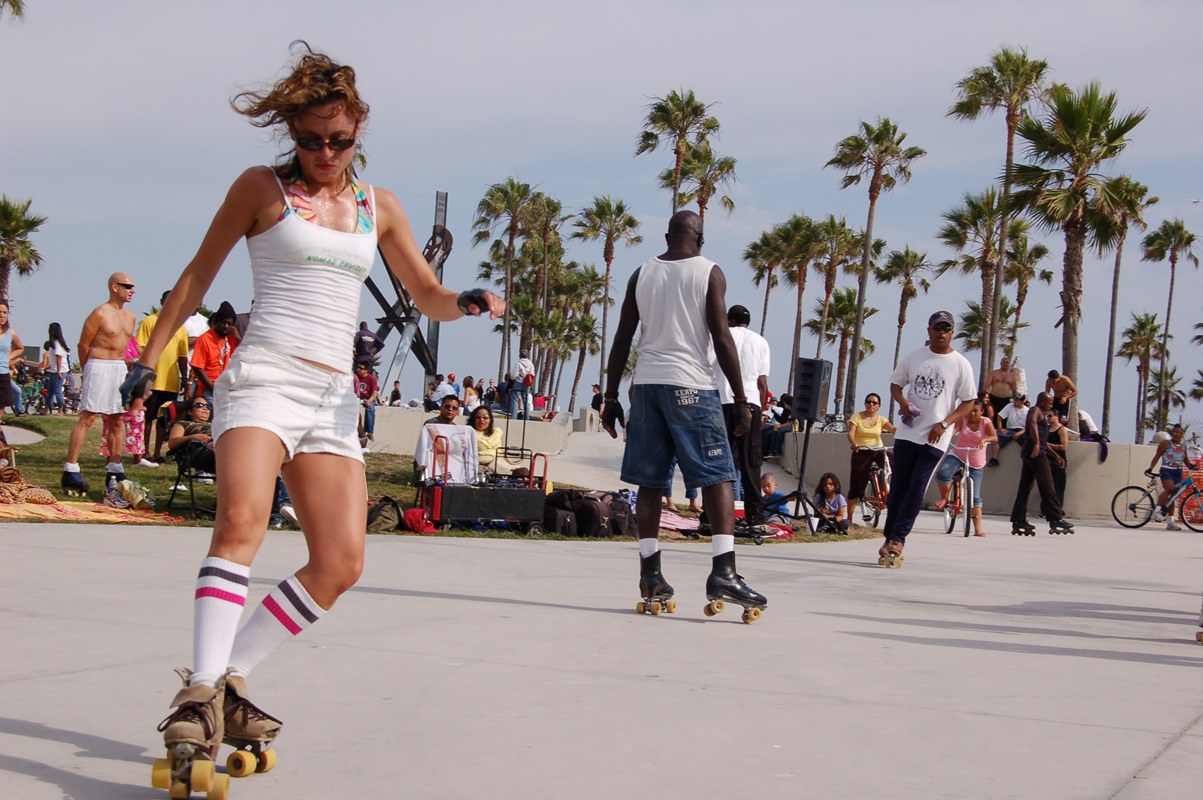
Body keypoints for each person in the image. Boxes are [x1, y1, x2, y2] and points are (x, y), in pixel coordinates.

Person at [128, 44, 503, 790]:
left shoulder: (379, 206)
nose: (324, 153)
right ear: (290, 134)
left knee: (340, 562)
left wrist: (462, 302)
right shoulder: (260, 188)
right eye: (309, 140)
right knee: (242, 522)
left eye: (338, 140)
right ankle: (199, 694)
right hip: (264, 378)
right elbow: (199, 272)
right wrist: (154, 354)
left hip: (334, 399)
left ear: (359, 130)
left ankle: (229, 682)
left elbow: (423, 294)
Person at [602, 209, 766, 619]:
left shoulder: (642, 273)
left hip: (647, 387)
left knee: (650, 482)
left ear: (667, 235)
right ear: (701, 238)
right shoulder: (708, 271)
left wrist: (609, 397)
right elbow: (721, 336)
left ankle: (650, 574)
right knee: (717, 476)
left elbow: (623, 336)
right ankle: (724, 571)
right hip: (692, 385)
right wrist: (743, 399)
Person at [879, 310, 977, 566]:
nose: (941, 333)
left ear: (952, 332)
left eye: (946, 328)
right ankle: (889, 537)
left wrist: (945, 424)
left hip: (936, 438)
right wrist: (902, 402)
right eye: (937, 328)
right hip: (909, 432)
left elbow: (968, 402)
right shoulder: (914, 357)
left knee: (917, 486)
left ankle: (899, 538)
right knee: (899, 485)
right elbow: (895, 384)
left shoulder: (961, 364)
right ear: (929, 330)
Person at [62, 274, 137, 495]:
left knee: (117, 418)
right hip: (98, 364)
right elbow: (83, 344)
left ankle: (115, 467)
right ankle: (71, 468)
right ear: (115, 287)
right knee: (88, 416)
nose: (132, 290)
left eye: (133, 287)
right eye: (128, 286)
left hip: (119, 367)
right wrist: (88, 370)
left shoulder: (130, 316)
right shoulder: (99, 313)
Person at [718, 304, 771, 531]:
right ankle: (755, 518)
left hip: (723, 401)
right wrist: (759, 407)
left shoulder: (720, 335)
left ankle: (712, 516)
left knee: (718, 462)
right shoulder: (760, 341)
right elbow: (761, 381)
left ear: (729, 319)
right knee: (751, 462)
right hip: (751, 402)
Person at [136, 293, 192, 461]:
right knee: (147, 419)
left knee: (164, 420)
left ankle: (157, 453)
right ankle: (144, 452)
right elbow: (141, 349)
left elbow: (183, 356)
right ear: (161, 302)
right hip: (151, 381)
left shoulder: (180, 327)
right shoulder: (149, 322)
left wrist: (184, 379)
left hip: (171, 382)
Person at [1009, 392, 1072, 534]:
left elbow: (1043, 441)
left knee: (1025, 486)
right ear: (1042, 401)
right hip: (1035, 453)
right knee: (1047, 484)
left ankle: (1018, 520)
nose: (1051, 405)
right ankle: (1056, 518)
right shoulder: (1035, 410)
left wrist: (1055, 455)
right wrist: (1037, 444)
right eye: (1049, 402)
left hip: (1032, 451)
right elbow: (1031, 422)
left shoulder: (1041, 414)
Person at [933, 398, 997, 536]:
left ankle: (978, 529)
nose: (972, 414)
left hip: (976, 461)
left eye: (976, 411)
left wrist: (984, 440)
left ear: (982, 411)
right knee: (943, 474)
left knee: (975, 497)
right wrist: (945, 435)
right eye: (971, 411)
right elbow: (954, 430)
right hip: (958, 454)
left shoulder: (986, 422)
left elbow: (994, 437)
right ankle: (945, 498)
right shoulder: (964, 419)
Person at [846, 392, 897, 525]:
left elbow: (893, 429)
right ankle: (849, 518)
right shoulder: (857, 417)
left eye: (874, 403)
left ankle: (891, 491)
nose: (871, 404)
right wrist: (853, 444)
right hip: (861, 450)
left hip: (877, 450)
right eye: (869, 402)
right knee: (856, 485)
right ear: (865, 403)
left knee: (896, 463)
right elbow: (851, 433)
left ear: (879, 406)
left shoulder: (881, 419)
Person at [1149, 424, 1197, 531]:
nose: (1177, 435)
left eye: (1179, 433)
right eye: (1175, 432)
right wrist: (1150, 468)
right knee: (1169, 488)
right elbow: (1157, 456)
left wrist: (1191, 466)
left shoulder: (1183, 446)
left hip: (1178, 472)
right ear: (1172, 434)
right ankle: (1156, 511)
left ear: (1182, 435)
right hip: (1167, 470)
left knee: (1173, 496)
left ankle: (1170, 522)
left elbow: (1185, 459)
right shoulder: (1166, 444)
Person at [190, 301, 238, 400]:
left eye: (229, 324)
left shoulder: (230, 339)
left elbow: (244, 355)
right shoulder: (204, 339)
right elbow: (198, 367)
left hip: (227, 389)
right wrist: (214, 388)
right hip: (209, 390)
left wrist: (238, 338)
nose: (226, 326)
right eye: (224, 322)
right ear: (216, 321)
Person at [0, 301, 25, 427]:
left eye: (4, 312)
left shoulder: (11, 333)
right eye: (0, 312)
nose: (2, 315)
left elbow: (20, 348)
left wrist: (9, 356)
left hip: (3, 376)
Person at [988, 394, 1029, 466]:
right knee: (998, 437)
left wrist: (1019, 433)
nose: (1014, 402)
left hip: (1022, 431)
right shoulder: (1010, 406)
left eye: (1017, 400)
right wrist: (1000, 428)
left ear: (1022, 401)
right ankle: (994, 459)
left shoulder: (1028, 411)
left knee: (1028, 441)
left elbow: (1028, 426)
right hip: (1010, 430)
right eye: (1014, 400)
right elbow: (999, 416)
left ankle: (1028, 460)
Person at [40, 322, 71, 415]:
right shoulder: (53, 344)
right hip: (53, 370)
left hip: (60, 370)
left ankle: (61, 409)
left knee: (57, 391)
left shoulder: (57, 344)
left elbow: (59, 357)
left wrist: (58, 371)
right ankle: (45, 409)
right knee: (50, 390)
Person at [985, 355, 1018, 426]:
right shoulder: (993, 373)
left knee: (1004, 417)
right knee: (992, 416)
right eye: (1004, 362)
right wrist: (987, 397)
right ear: (1001, 363)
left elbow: (1014, 389)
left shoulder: (1011, 376)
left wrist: (1016, 399)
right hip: (994, 398)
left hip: (1006, 400)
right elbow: (987, 386)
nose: (1005, 364)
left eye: (1007, 363)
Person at [1047, 413, 1069, 509]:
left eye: (1050, 416)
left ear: (1057, 417)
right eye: (1047, 416)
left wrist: (1049, 445)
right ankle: (1046, 509)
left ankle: (1058, 509)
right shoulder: (1047, 429)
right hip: (1047, 460)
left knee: (1059, 487)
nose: (1048, 418)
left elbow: (1064, 447)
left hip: (1059, 461)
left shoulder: (1062, 430)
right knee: (1048, 486)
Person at [353, 360, 378, 442]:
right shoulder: (355, 377)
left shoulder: (371, 379)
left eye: (361, 368)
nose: (358, 369)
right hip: (356, 398)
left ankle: (369, 432)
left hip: (366, 398)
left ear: (366, 370)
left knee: (370, 408)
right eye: (358, 367)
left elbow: (374, 393)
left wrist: (369, 401)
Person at [762, 393, 794, 457]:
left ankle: (777, 450)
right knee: (775, 431)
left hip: (793, 426)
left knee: (780, 431)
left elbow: (791, 423)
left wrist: (780, 426)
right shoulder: (786, 411)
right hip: (785, 425)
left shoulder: (794, 411)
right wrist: (775, 414)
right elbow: (782, 420)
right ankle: (772, 451)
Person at [511, 352, 535, 421]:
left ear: (520, 356)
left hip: (518, 382)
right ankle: (526, 418)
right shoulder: (531, 364)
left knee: (515, 400)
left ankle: (513, 418)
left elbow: (514, 375)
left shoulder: (519, 363)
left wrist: (514, 378)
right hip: (527, 384)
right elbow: (533, 374)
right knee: (526, 401)